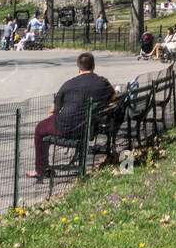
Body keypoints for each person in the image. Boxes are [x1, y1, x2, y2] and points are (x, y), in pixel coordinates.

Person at [27, 52, 115, 180]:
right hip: (88, 128)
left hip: (65, 128)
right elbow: (113, 97)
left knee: (40, 128)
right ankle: (43, 167)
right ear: (93, 66)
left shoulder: (68, 84)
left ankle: (41, 169)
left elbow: (53, 111)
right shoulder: (102, 83)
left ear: (79, 68)